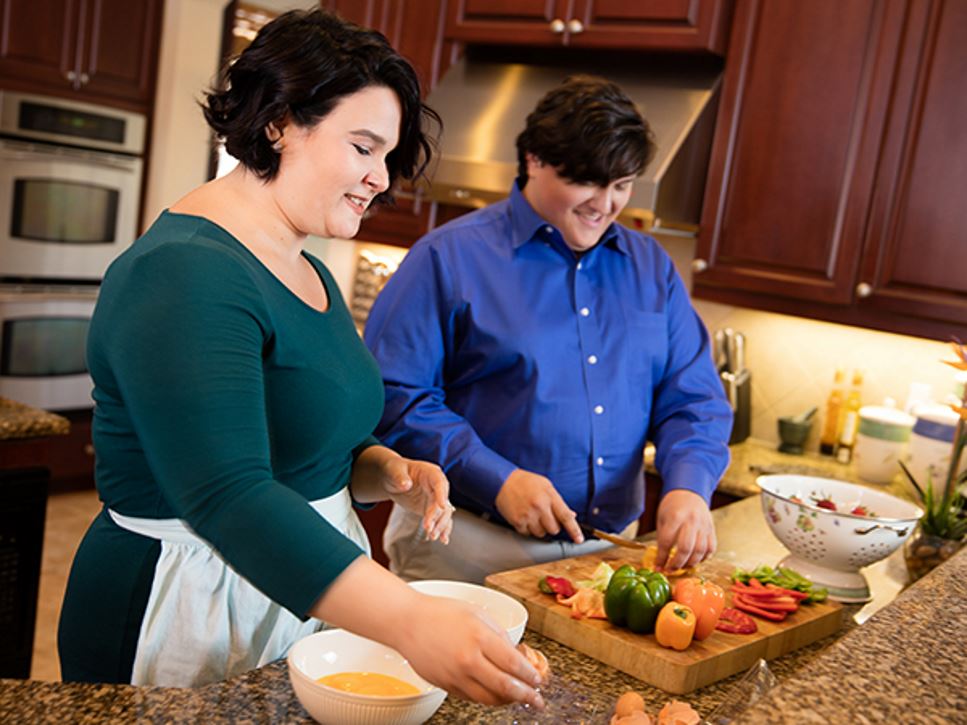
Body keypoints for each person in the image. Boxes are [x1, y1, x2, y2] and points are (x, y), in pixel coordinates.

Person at [57, 10, 544, 708]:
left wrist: (384, 471)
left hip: (295, 589)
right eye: (362, 147)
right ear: (280, 121)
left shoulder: (303, 265)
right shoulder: (183, 272)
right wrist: (409, 618)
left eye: (387, 156)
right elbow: (229, 492)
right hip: (186, 604)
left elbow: (308, 442)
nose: (380, 178)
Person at [364, 75, 733, 584]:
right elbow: (394, 396)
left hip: (608, 556)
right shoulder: (446, 257)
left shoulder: (651, 267)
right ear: (535, 159)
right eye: (587, 182)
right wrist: (498, 479)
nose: (605, 204)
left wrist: (689, 486)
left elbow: (693, 399)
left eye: (622, 185)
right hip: (467, 548)